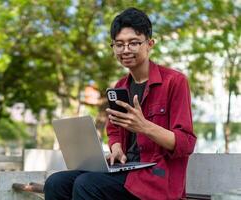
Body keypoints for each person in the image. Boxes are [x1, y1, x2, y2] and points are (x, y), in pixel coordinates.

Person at [44, 7, 196, 200]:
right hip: (125, 170)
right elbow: (114, 130)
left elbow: (186, 143)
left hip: (155, 178)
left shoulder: (174, 81)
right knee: (56, 183)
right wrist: (116, 148)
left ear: (150, 44)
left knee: (87, 185)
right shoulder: (120, 87)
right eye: (119, 44)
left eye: (133, 43)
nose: (125, 50)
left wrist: (145, 127)